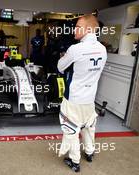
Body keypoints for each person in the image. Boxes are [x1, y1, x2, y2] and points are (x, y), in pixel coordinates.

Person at [57, 14, 107, 172]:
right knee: (89, 127)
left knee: (70, 130)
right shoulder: (103, 49)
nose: (74, 30)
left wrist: (65, 57)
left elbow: (60, 67)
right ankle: (90, 153)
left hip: (73, 99)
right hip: (90, 99)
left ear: (89, 29)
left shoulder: (75, 49)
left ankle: (74, 161)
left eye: (78, 27)